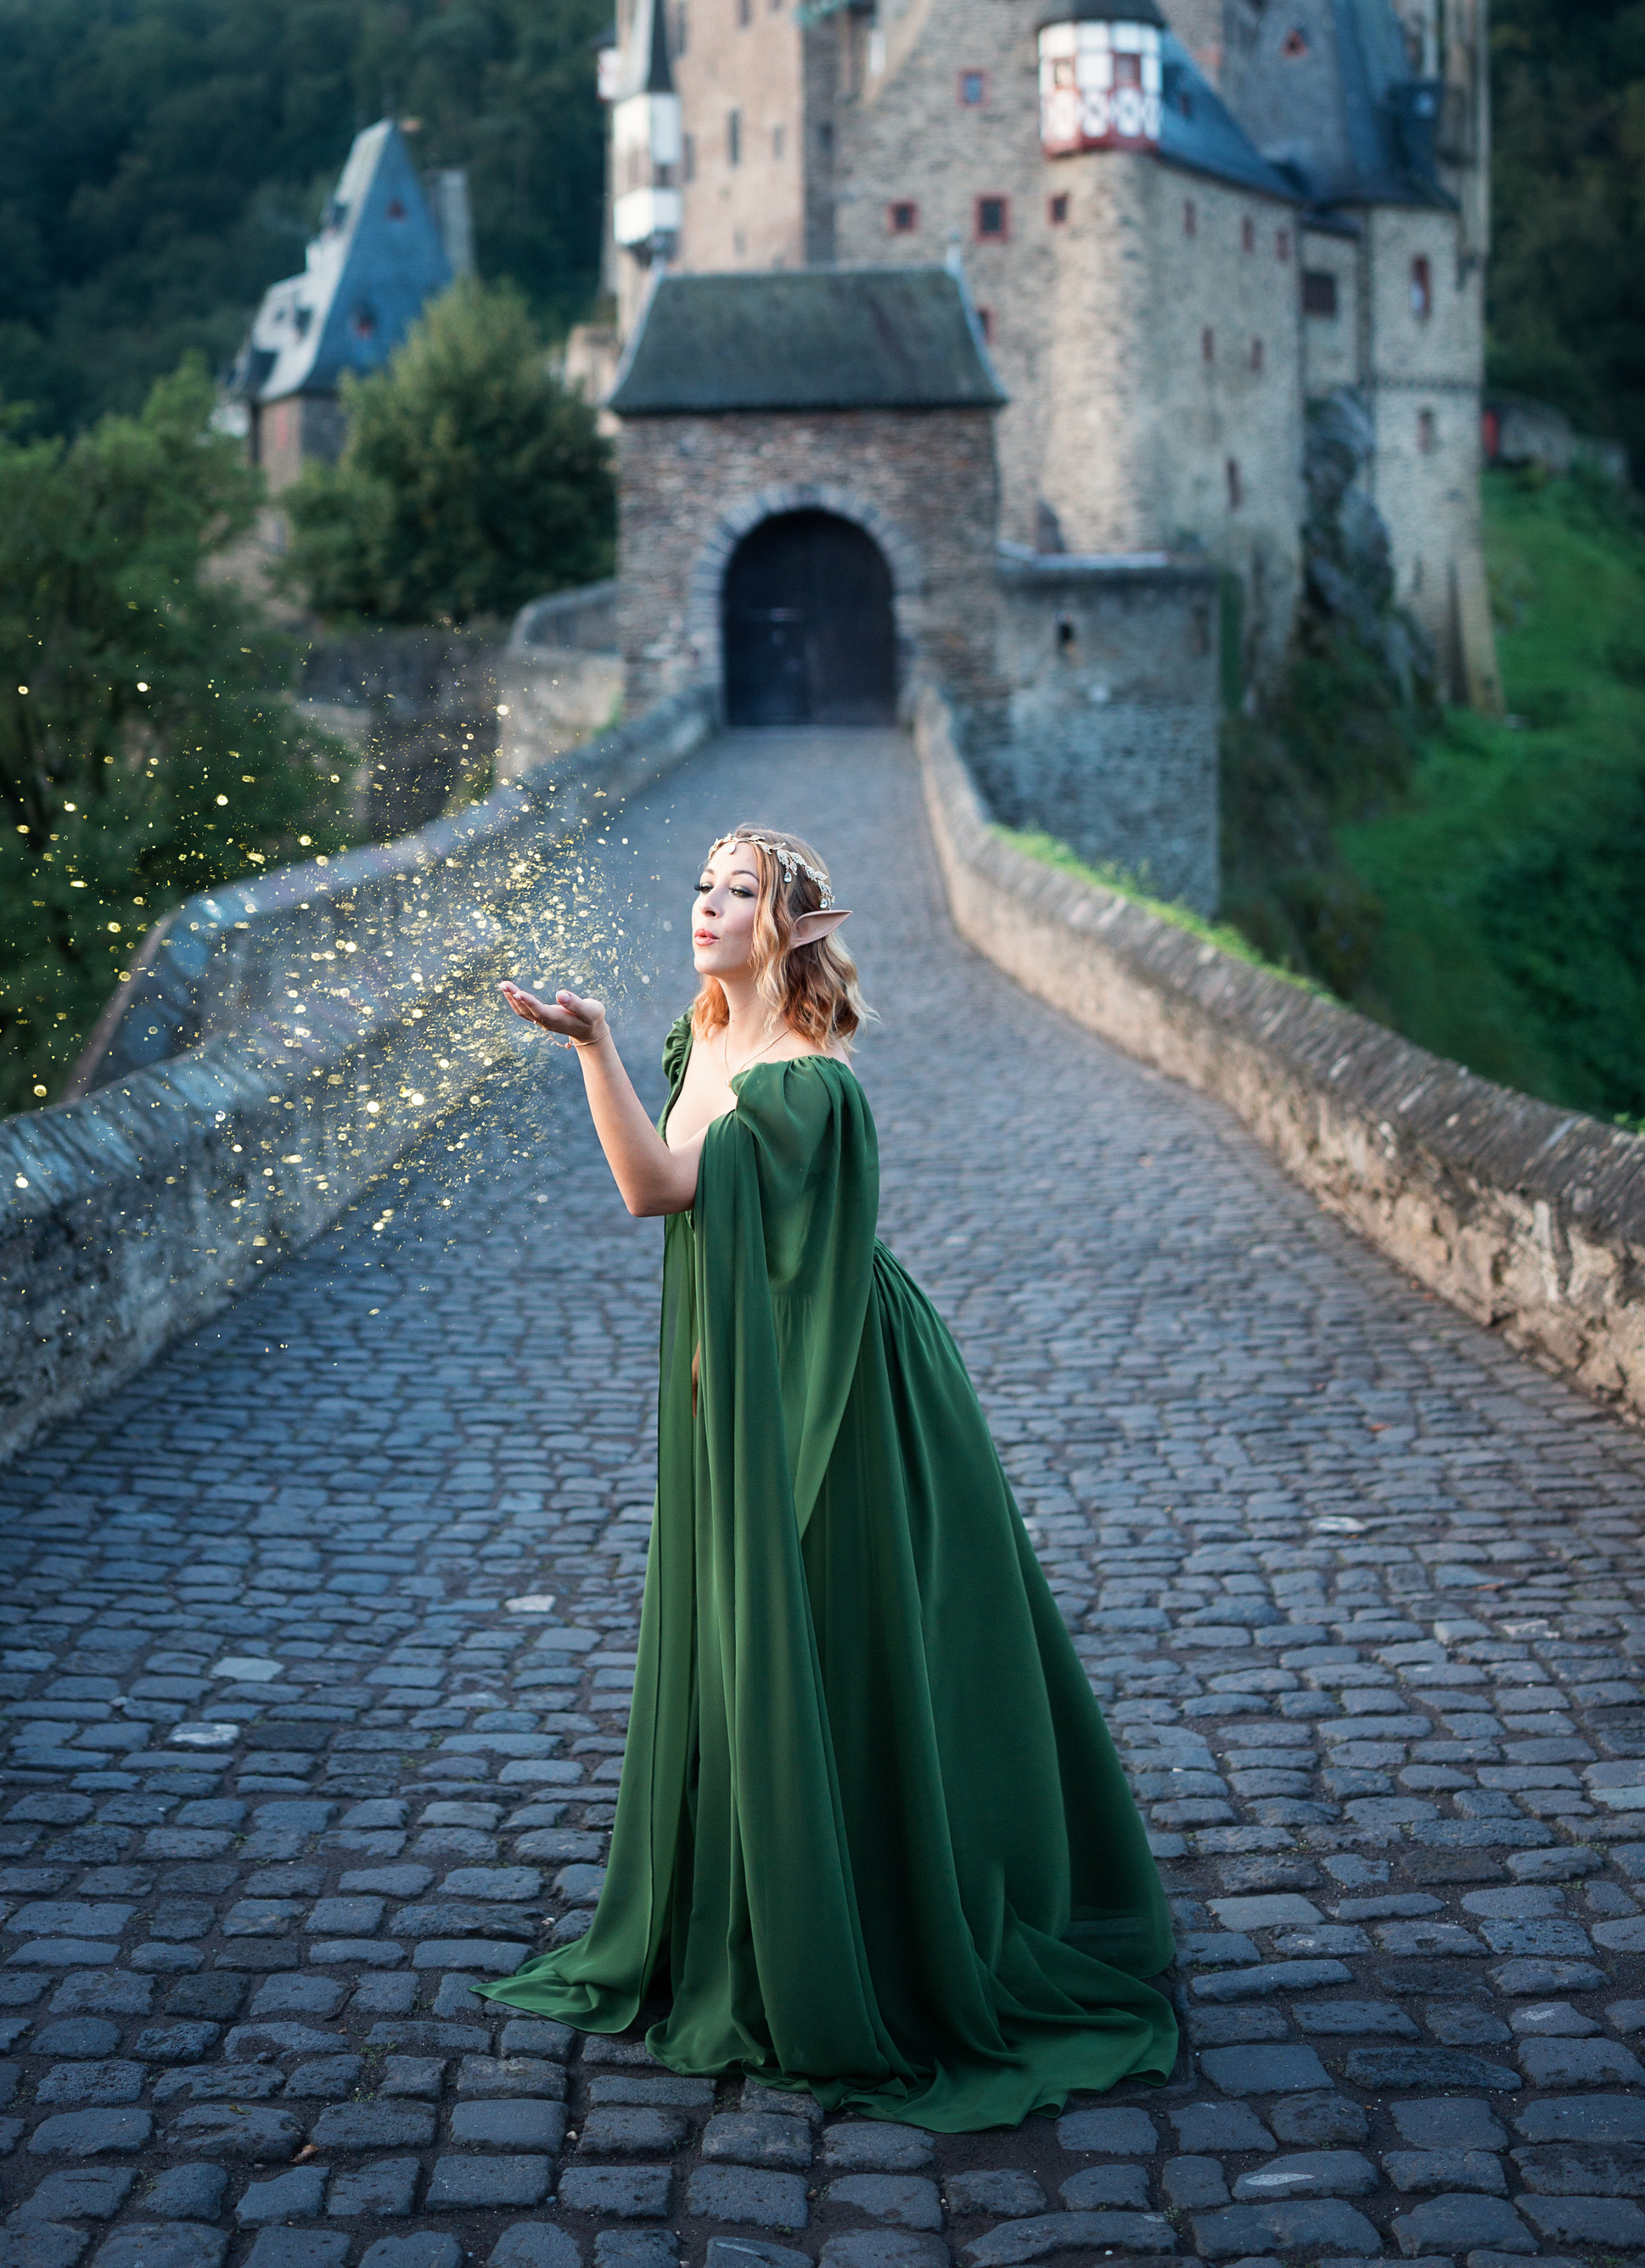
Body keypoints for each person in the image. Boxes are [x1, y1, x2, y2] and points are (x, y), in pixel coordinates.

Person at [486, 823, 1175, 2130]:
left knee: (826, 1641)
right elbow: (658, 1188)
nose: (706, 904)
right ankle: (760, 1906)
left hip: (841, 1387)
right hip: (740, 1388)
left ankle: (869, 1929)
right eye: (700, 882)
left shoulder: (806, 1088)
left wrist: (593, 1050)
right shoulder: (703, 1045)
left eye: (738, 890)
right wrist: (600, 1049)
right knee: (758, 1643)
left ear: (793, 924)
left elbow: (711, 1223)